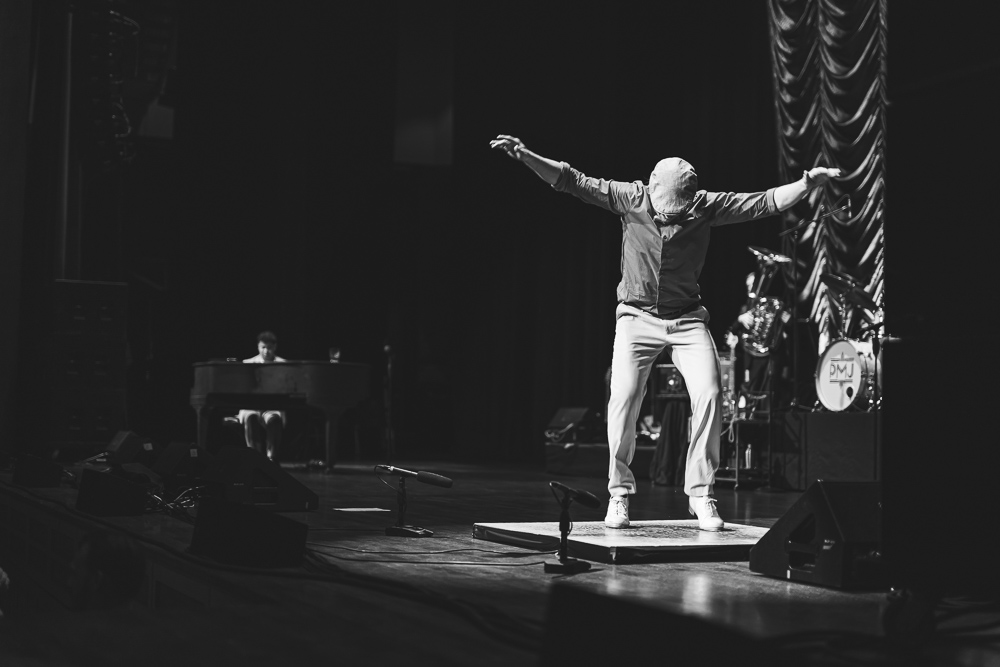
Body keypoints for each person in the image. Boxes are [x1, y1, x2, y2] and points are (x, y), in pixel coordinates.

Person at [490, 134, 839, 530]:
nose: (669, 217)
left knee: (710, 393)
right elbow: (572, 181)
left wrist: (806, 183)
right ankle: (619, 494)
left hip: (687, 320)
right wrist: (525, 156)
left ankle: (701, 493)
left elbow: (764, 202)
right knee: (623, 397)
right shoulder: (630, 197)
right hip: (636, 318)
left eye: (677, 212)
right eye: (664, 211)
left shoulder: (706, 206)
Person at [238, 331, 286, 461]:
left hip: (271, 406)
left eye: (269, 348)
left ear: (275, 347)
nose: (266, 351)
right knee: (251, 417)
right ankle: (255, 457)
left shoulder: (283, 364)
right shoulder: (248, 363)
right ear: (258, 347)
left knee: (274, 419)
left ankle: (271, 457)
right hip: (252, 406)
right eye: (263, 347)